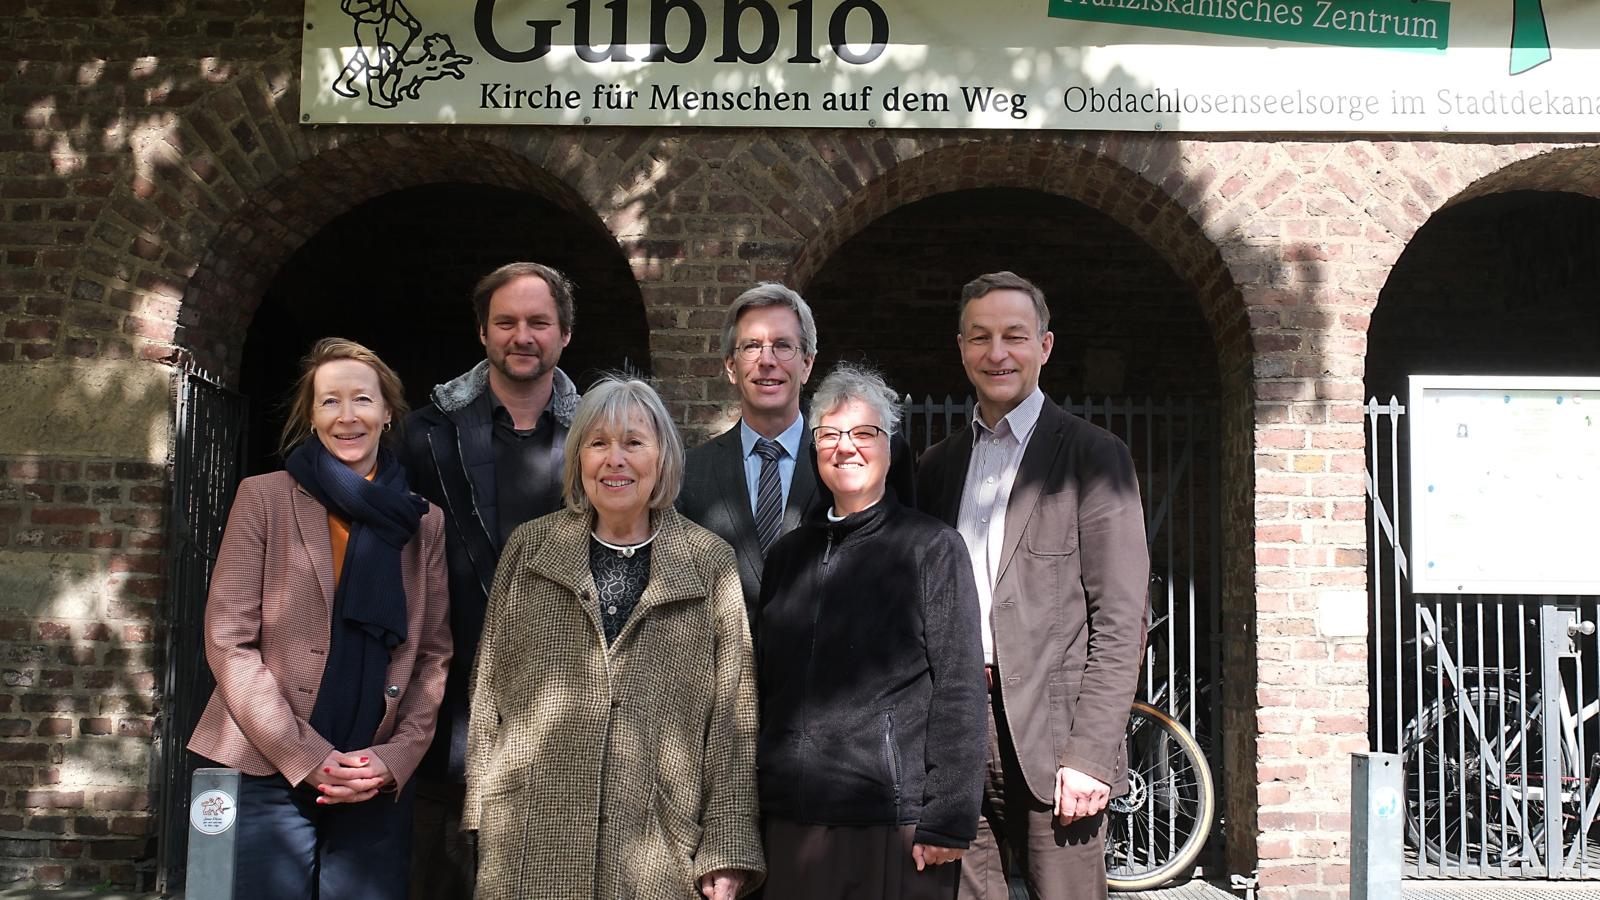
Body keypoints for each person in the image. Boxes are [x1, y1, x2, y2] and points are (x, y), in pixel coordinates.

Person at [464, 376, 764, 900]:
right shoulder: (531, 549)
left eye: (633, 442)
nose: (614, 459)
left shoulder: (708, 562)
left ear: (662, 458)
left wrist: (727, 842)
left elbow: (733, 714)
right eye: (598, 443)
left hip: (657, 848)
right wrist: (481, 814)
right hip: (530, 838)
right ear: (578, 459)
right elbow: (488, 686)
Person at [188, 338, 451, 900]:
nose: (347, 416)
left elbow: (432, 654)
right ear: (311, 415)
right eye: (330, 401)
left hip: (369, 772)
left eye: (362, 400)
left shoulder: (422, 521)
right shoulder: (263, 497)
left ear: (387, 414)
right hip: (265, 765)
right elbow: (228, 639)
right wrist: (304, 757)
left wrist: (395, 757)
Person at [916, 272, 1149, 900]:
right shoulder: (937, 469)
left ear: (1044, 346)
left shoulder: (1094, 457)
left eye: (1014, 336)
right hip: (958, 735)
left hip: (1056, 745)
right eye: (981, 337)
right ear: (961, 348)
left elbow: (1122, 619)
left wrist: (1092, 754)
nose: (998, 354)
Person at [757, 363, 986, 900]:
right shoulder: (787, 556)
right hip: (794, 815)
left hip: (891, 820)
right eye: (831, 434)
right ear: (814, 449)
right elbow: (766, 685)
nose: (846, 447)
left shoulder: (932, 548)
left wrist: (949, 817)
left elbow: (959, 685)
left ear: (890, 447)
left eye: (864, 433)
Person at [401, 261, 581, 899]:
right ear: (482, 332)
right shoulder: (424, 436)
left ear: (565, 335)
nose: (522, 336)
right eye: (506, 322)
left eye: (539, 322)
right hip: (449, 709)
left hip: (566, 704)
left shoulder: (599, 439)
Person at [679, 282, 915, 621]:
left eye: (782, 346)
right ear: (731, 367)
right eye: (751, 346)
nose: (767, 361)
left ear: (806, 364)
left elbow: (904, 560)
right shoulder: (691, 474)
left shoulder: (861, 458)